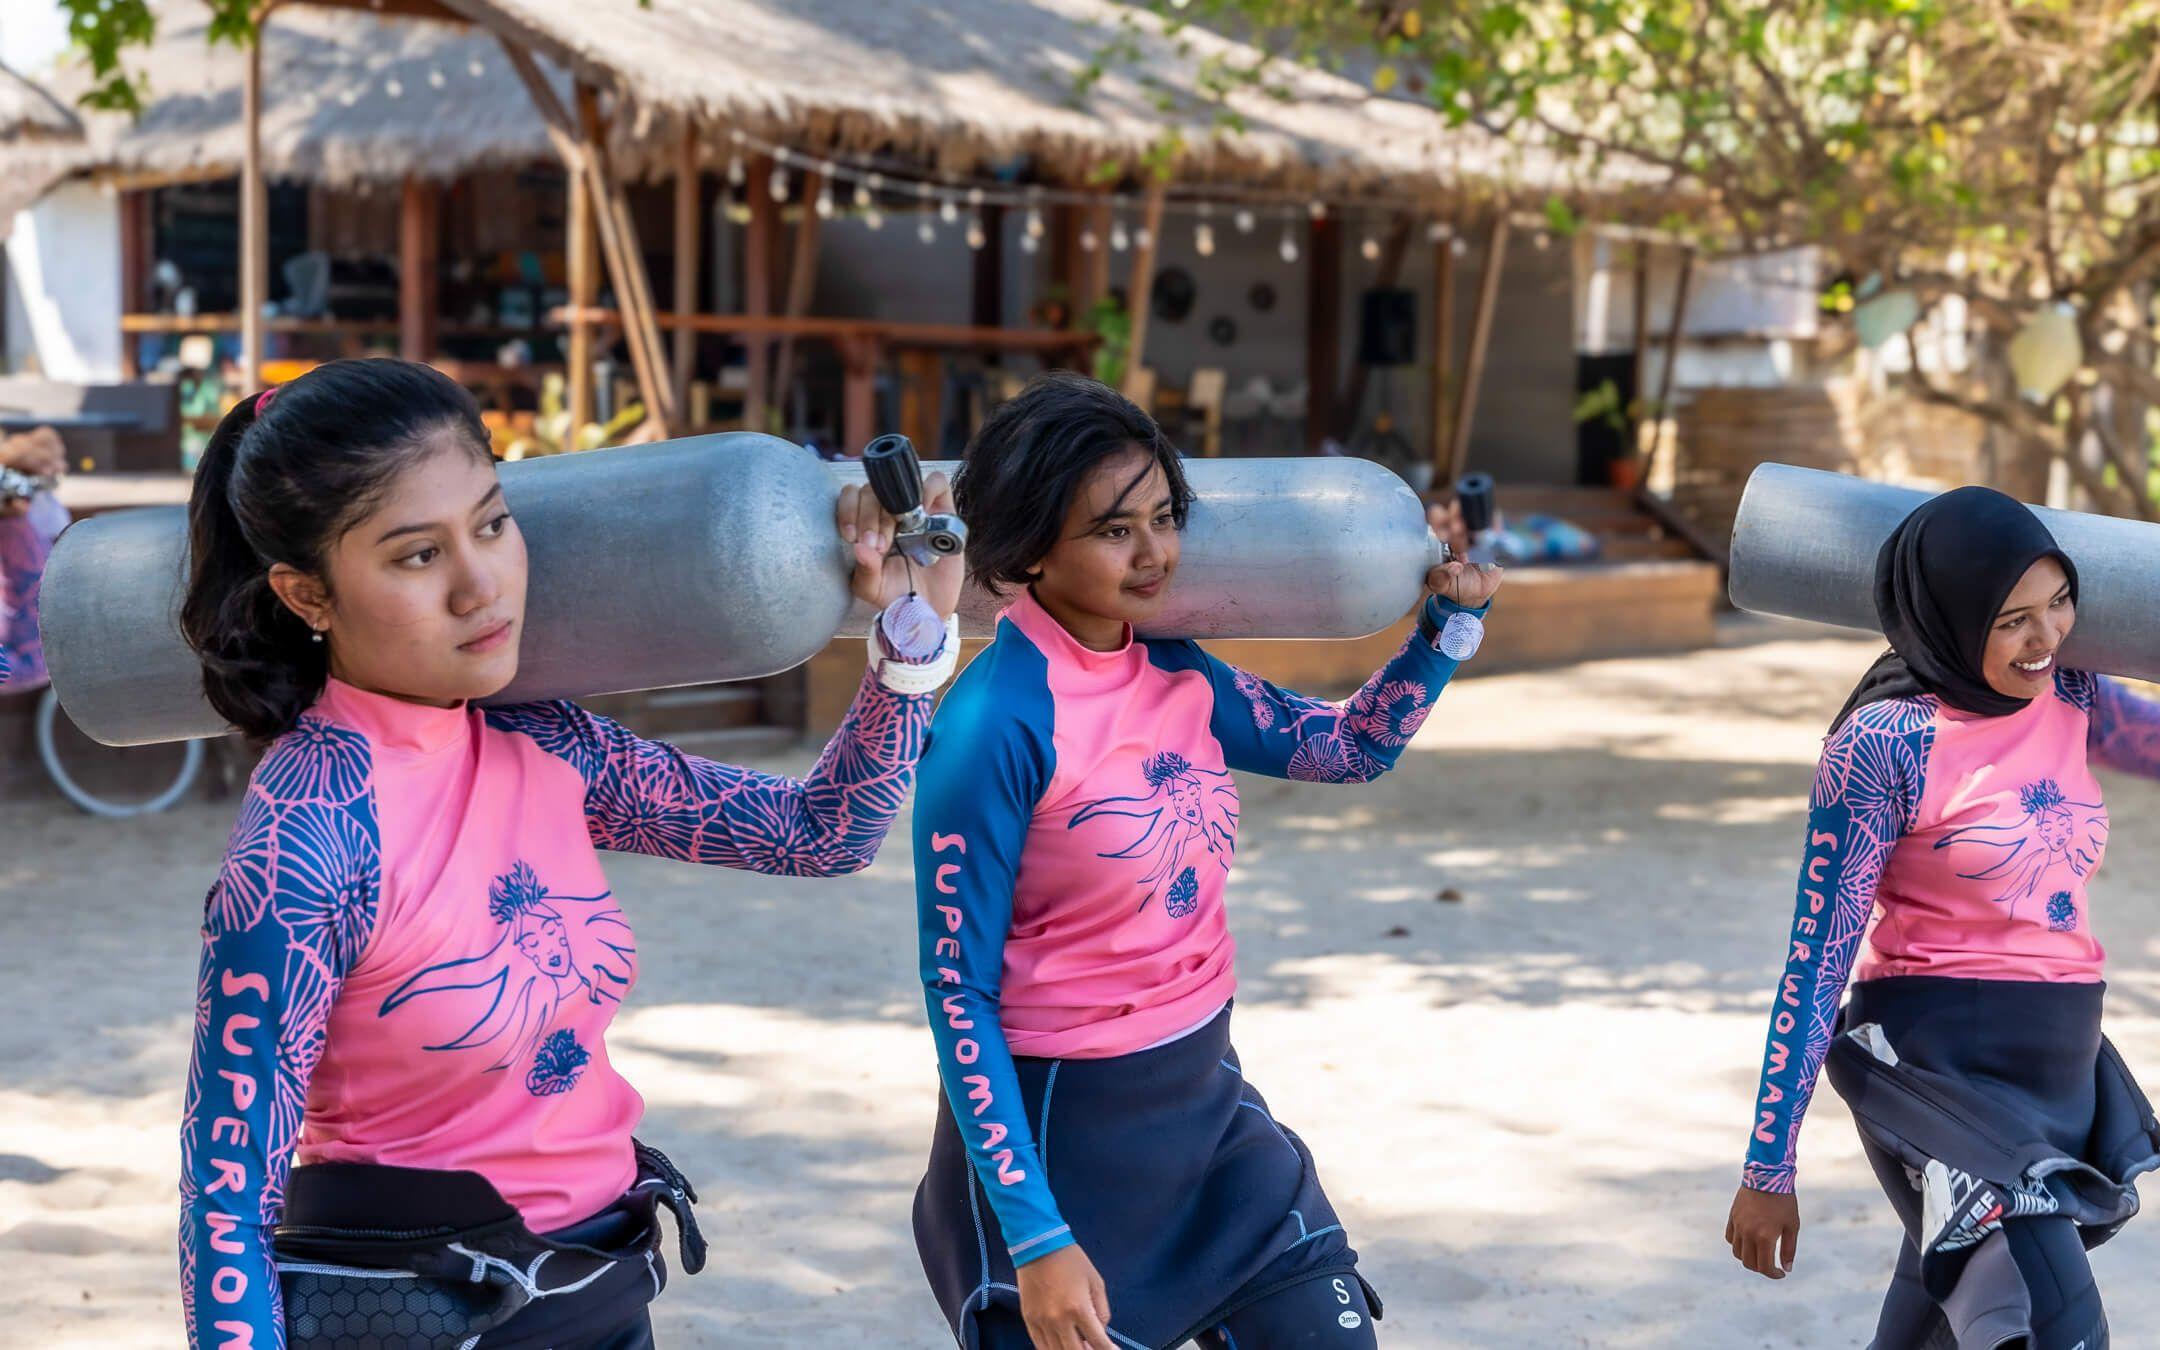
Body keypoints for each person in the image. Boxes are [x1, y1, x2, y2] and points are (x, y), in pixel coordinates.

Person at [175, 358, 964, 1348]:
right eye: (417, 556)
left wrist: (913, 633)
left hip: (595, 1289)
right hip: (412, 1315)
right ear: (308, 594)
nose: (481, 585)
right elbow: (223, 1204)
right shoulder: (308, 840)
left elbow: (822, 834)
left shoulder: (546, 743)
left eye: (493, 524)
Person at [909, 372, 1502, 1350]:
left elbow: (1348, 747)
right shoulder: (991, 724)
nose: (1155, 554)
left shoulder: (1176, 665)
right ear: (1030, 548)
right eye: (1114, 530)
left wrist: (1447, 627)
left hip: (1207, 1110)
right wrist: (1037, 1234)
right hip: (1067, 1150)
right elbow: (957, 993)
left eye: (1165, 516)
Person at [1727, 485, 2160, 1348]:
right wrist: (1767, 1165)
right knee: (2054, 1325)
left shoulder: (2073, 695)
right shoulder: (1883, 742)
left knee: (1939, 1322)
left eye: (2060, 602)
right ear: (1951, 618)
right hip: (1936, 1063)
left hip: (2063, 1057)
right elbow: (1817, 960)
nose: (2048, 639)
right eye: (2012, 621)